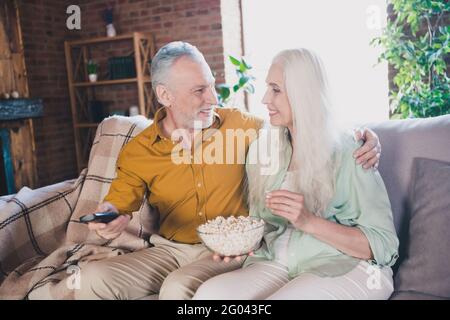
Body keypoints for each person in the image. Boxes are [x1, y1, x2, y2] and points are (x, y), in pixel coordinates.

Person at [75, 42, 382, 300]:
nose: (213, 98)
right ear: (165, 96)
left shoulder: (243, 126)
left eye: (211, 85)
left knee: (178, 288)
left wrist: (363, 135)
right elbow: (119, 204)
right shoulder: (139, 150)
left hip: (227, 251)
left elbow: (301, 121)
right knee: (91, 277)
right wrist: (111, 219)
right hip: (169, 248)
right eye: (199, 91)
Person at [193, 48, 398, 300]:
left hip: (345, 265)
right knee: (208, 296)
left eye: (276, 89)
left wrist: (308, 221)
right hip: (279, 262)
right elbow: (262, 226)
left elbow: (383, 245)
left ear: (304, 94)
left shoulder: (353, 150)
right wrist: (240, 244)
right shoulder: (262, 149)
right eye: (268, 87)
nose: (265, 99)